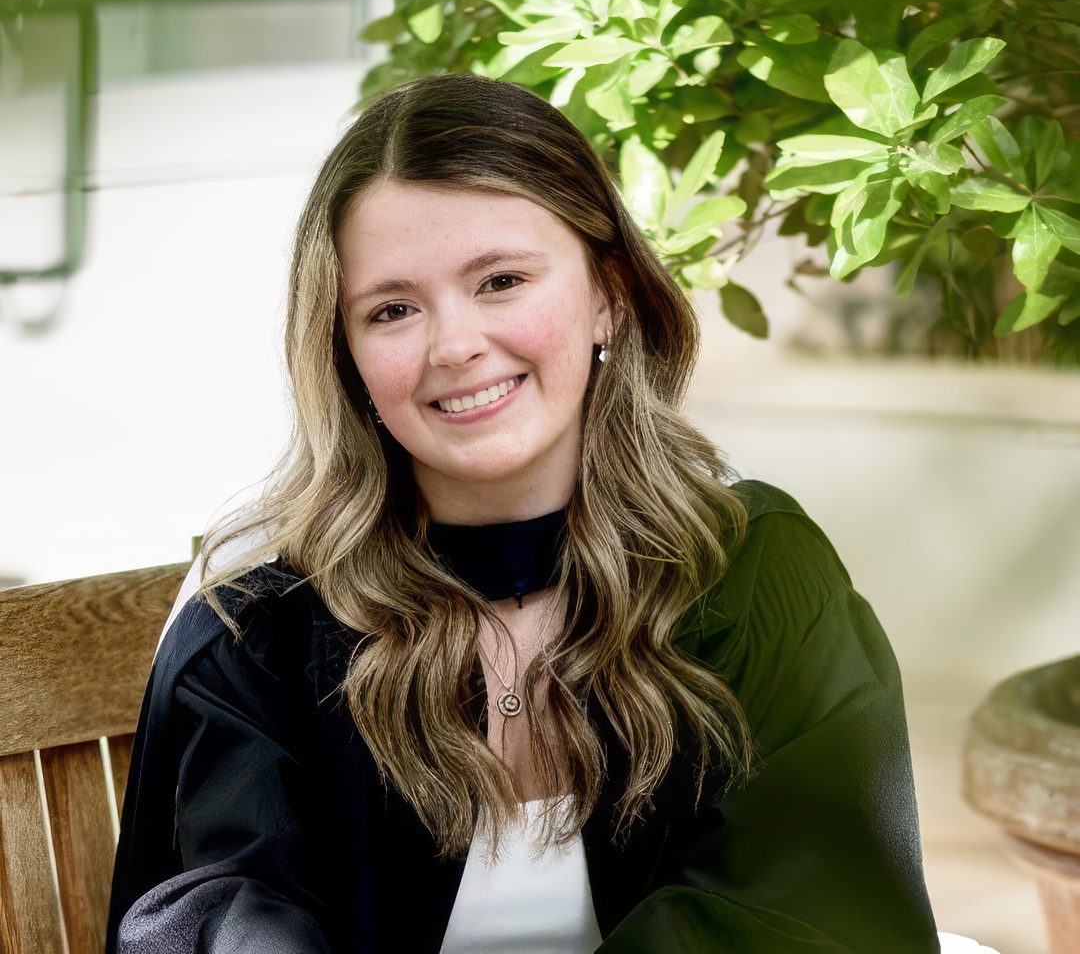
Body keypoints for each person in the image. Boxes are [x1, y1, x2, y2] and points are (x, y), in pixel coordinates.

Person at [106, 74, 941, 954]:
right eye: (392, 309)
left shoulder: (752, 575)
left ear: (609, 296)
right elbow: (223, 914)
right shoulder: (255, 633)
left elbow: (814, 910)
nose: (455, 345)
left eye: (500, 280)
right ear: (345, 355)